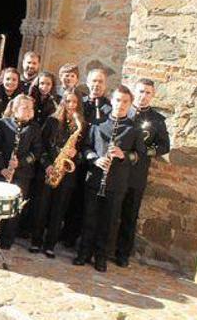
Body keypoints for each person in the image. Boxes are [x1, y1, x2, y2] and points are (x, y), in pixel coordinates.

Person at [74, 86, 146, 272]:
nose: (121, 105)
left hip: (117, 183)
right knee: (89, 218)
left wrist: (123, 155)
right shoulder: (97, 124)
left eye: (125, 102)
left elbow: (139, 156)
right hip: (95, 179)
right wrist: (96, 160)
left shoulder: (134, 129)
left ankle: (101, 257)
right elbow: (86, 148)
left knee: (109, 222)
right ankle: (83, 253)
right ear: (111, 101)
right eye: (118, 100)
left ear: (130, 104)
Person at [115, 78, 170, 267]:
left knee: (130, 214)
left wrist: (148, 151)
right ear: (134, 92)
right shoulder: (123, 112)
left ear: (153, 95)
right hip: (116, 169)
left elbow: (164, 146)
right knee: (110, 210)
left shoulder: (157, 120)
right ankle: (104, 247)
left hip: (136, 173)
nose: (143, 96)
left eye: (147, 92)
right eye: (140, 91)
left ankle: (122, 253)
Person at [29, 91, 84, 257]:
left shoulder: (81, 125)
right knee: (41, 208)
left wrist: (77, 155)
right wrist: (46, 165)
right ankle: (36, 242)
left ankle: (50, 245)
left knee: (58, 211)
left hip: (66, 175)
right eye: (68, 101)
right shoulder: (52, 121)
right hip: (49, 170)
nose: (71, 105)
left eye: (75, 102)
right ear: (63, 103)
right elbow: (40, 145)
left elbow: (86, 150)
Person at [0, 94, 43, 249]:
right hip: (3, 172)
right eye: (25, 107)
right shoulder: (3, 124)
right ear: (14, 109)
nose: (29, 111)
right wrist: (2, 168)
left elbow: (37, 151)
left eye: (31, 108)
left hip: (23, 174)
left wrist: (19, 163)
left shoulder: (34, 128)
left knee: (15, 206)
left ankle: (7, 239)